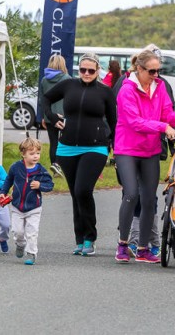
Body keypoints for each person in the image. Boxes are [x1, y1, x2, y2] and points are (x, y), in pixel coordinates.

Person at [113, 47, 175, 264]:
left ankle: (143, 249)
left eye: (159, 71)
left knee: (149, 199)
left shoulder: (160, 86)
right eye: (152, 71)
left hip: (150, 149)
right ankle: (122, 244)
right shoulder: (126, 90)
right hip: (127, 149)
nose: (156, 75)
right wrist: (164, 127)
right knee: (131, 194)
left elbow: (166, 113)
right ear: (139, 69)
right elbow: (134, 122)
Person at [42, 53, 116, 257]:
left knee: (83, 190)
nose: (86, 73)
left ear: (98, 71)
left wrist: (114, 145)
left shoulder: (105, 92)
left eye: (91, 70)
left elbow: (114, 121)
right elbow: (46, 98)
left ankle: (90, 237)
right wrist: (51, 117)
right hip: (66, 148)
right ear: (78, 69)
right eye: (83, 69)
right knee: (75, 194)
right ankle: (80, 239)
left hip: (95, 148)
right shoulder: (69, 85)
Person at [0, 138, 53, 265]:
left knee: (32, 232)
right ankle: (20, 244)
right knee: (18, 232)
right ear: (23, 154)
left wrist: (40, 185)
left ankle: (32, 253)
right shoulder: (16, 167)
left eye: (38, 153)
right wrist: (3, 192)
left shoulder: (41, 170)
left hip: (34, 208)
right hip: (17, 206)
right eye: (32, 153)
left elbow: (50, 185)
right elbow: (8, 180)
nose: (36, 156)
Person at [38, 54, 71, 178]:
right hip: (63, 115)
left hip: (49, 116)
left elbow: (42, 100)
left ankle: (54, 166)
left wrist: (43, 116)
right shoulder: (67, 78)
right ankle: (60, 165)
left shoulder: (44, 80)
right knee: (64, 142)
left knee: (53, 142)